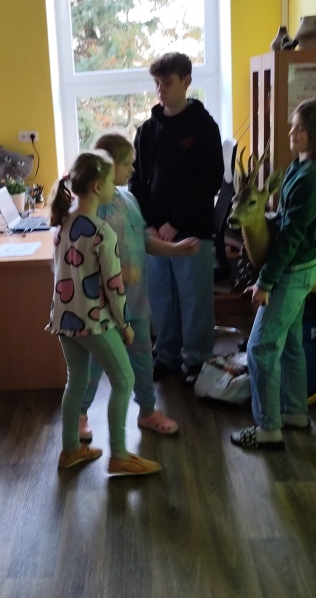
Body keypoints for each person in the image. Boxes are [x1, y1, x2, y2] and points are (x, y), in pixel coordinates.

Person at [231, 98, 316, 450]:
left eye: (300, 127)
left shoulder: (312, 178)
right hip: (301, 270)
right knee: (290, 344)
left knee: (260, 348)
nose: (292, 132)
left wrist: (264, 282)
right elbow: (286, 221)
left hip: (291, 273)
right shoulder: (301, 169)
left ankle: (268, 429)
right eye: (293, 125)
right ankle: (295, 413)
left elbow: (290, 238)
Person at [78, 131, 200, 440]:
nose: (133, 169)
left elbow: (142, 238)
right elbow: (85, 258)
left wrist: (174, 249)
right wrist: (118, 272)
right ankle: (79, 415)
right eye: (128, 163)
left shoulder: (129, 199)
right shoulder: (92, 208)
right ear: (108, 166)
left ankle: (147, 410)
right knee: (93, 364)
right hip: (101, 307)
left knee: (143, 357)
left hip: (134, 302)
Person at [47, 150, 160, 476]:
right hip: (94, 321)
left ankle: (70, 449)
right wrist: (125, 325)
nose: (115, 188)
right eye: (112, 182)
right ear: (97, 187)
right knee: (124, 380)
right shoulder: (101, 232)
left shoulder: (63, 224)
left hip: (64, 319)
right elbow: (113, 286)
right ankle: (120, 454)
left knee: (76, 382)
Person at [129, 52, 224, 386]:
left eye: (167, 83)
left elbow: (208, 181)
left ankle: (197, 360)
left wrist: (176, 223)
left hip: (192, 231)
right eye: (156, 83)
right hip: (155, 233)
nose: (160, 90)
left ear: (186, 82)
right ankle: (167, 355)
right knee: (161, 299)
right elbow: (136, 181)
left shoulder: (204, 127)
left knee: (194, 300)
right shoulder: (147, 130)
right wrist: (152, 224)